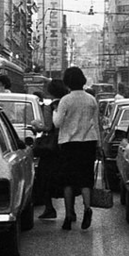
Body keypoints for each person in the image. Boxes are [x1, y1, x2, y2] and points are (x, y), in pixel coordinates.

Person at [53, 67, 100, 230]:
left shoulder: (65, 100)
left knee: (68, 181)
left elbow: (57, 123)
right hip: (88, 142)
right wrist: (99, 144)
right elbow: (96, 123)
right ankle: (87, 209)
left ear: (67, 82)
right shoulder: (91, 100)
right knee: (85, 179)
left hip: (68, 143)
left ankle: (68, 216)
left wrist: (54, 113)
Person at [32, 79, 69, 219]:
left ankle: (49, 208)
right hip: (65, 145)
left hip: (51, 148)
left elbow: (47, 127)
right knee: (65, 179)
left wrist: (36, 125)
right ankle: (69, 210)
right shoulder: (68, 103)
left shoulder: (50, 106)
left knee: (45, 177)